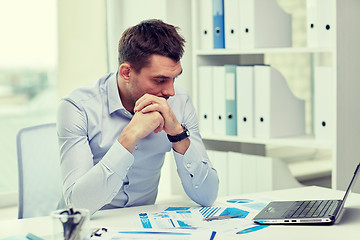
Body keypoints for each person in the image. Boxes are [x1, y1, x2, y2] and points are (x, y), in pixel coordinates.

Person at [57, 19, 219, 215]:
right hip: (86, 227)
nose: (171, 91)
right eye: (160, 80)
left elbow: (207, 195)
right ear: (126, 72)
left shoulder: (180, 102)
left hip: (142, 225)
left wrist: (177, 134)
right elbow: (78, 206)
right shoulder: (77, 107)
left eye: (174, 78)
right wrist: (130, 135)